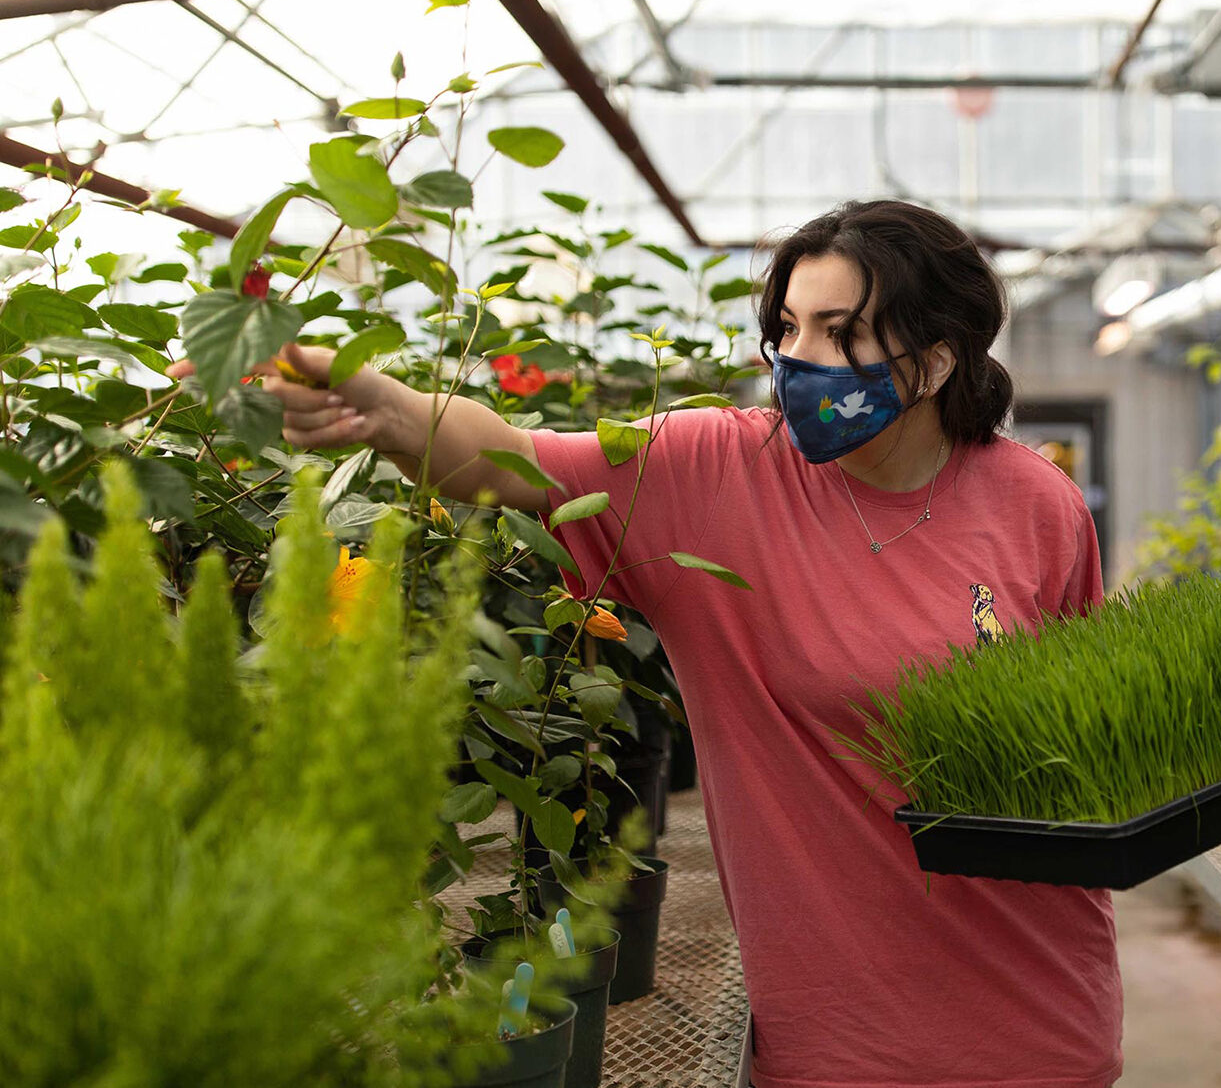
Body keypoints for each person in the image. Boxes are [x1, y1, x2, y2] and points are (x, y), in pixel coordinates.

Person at [213, 199, 1122, 1088]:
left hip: (1045, 1016)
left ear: (933, 361)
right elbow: (502, 458)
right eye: (789, 325)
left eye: (837, 330)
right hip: (845, 1040)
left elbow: (1083, 749)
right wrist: (378, 404)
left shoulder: (1033, 502)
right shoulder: (716, 473)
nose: (797, 359)